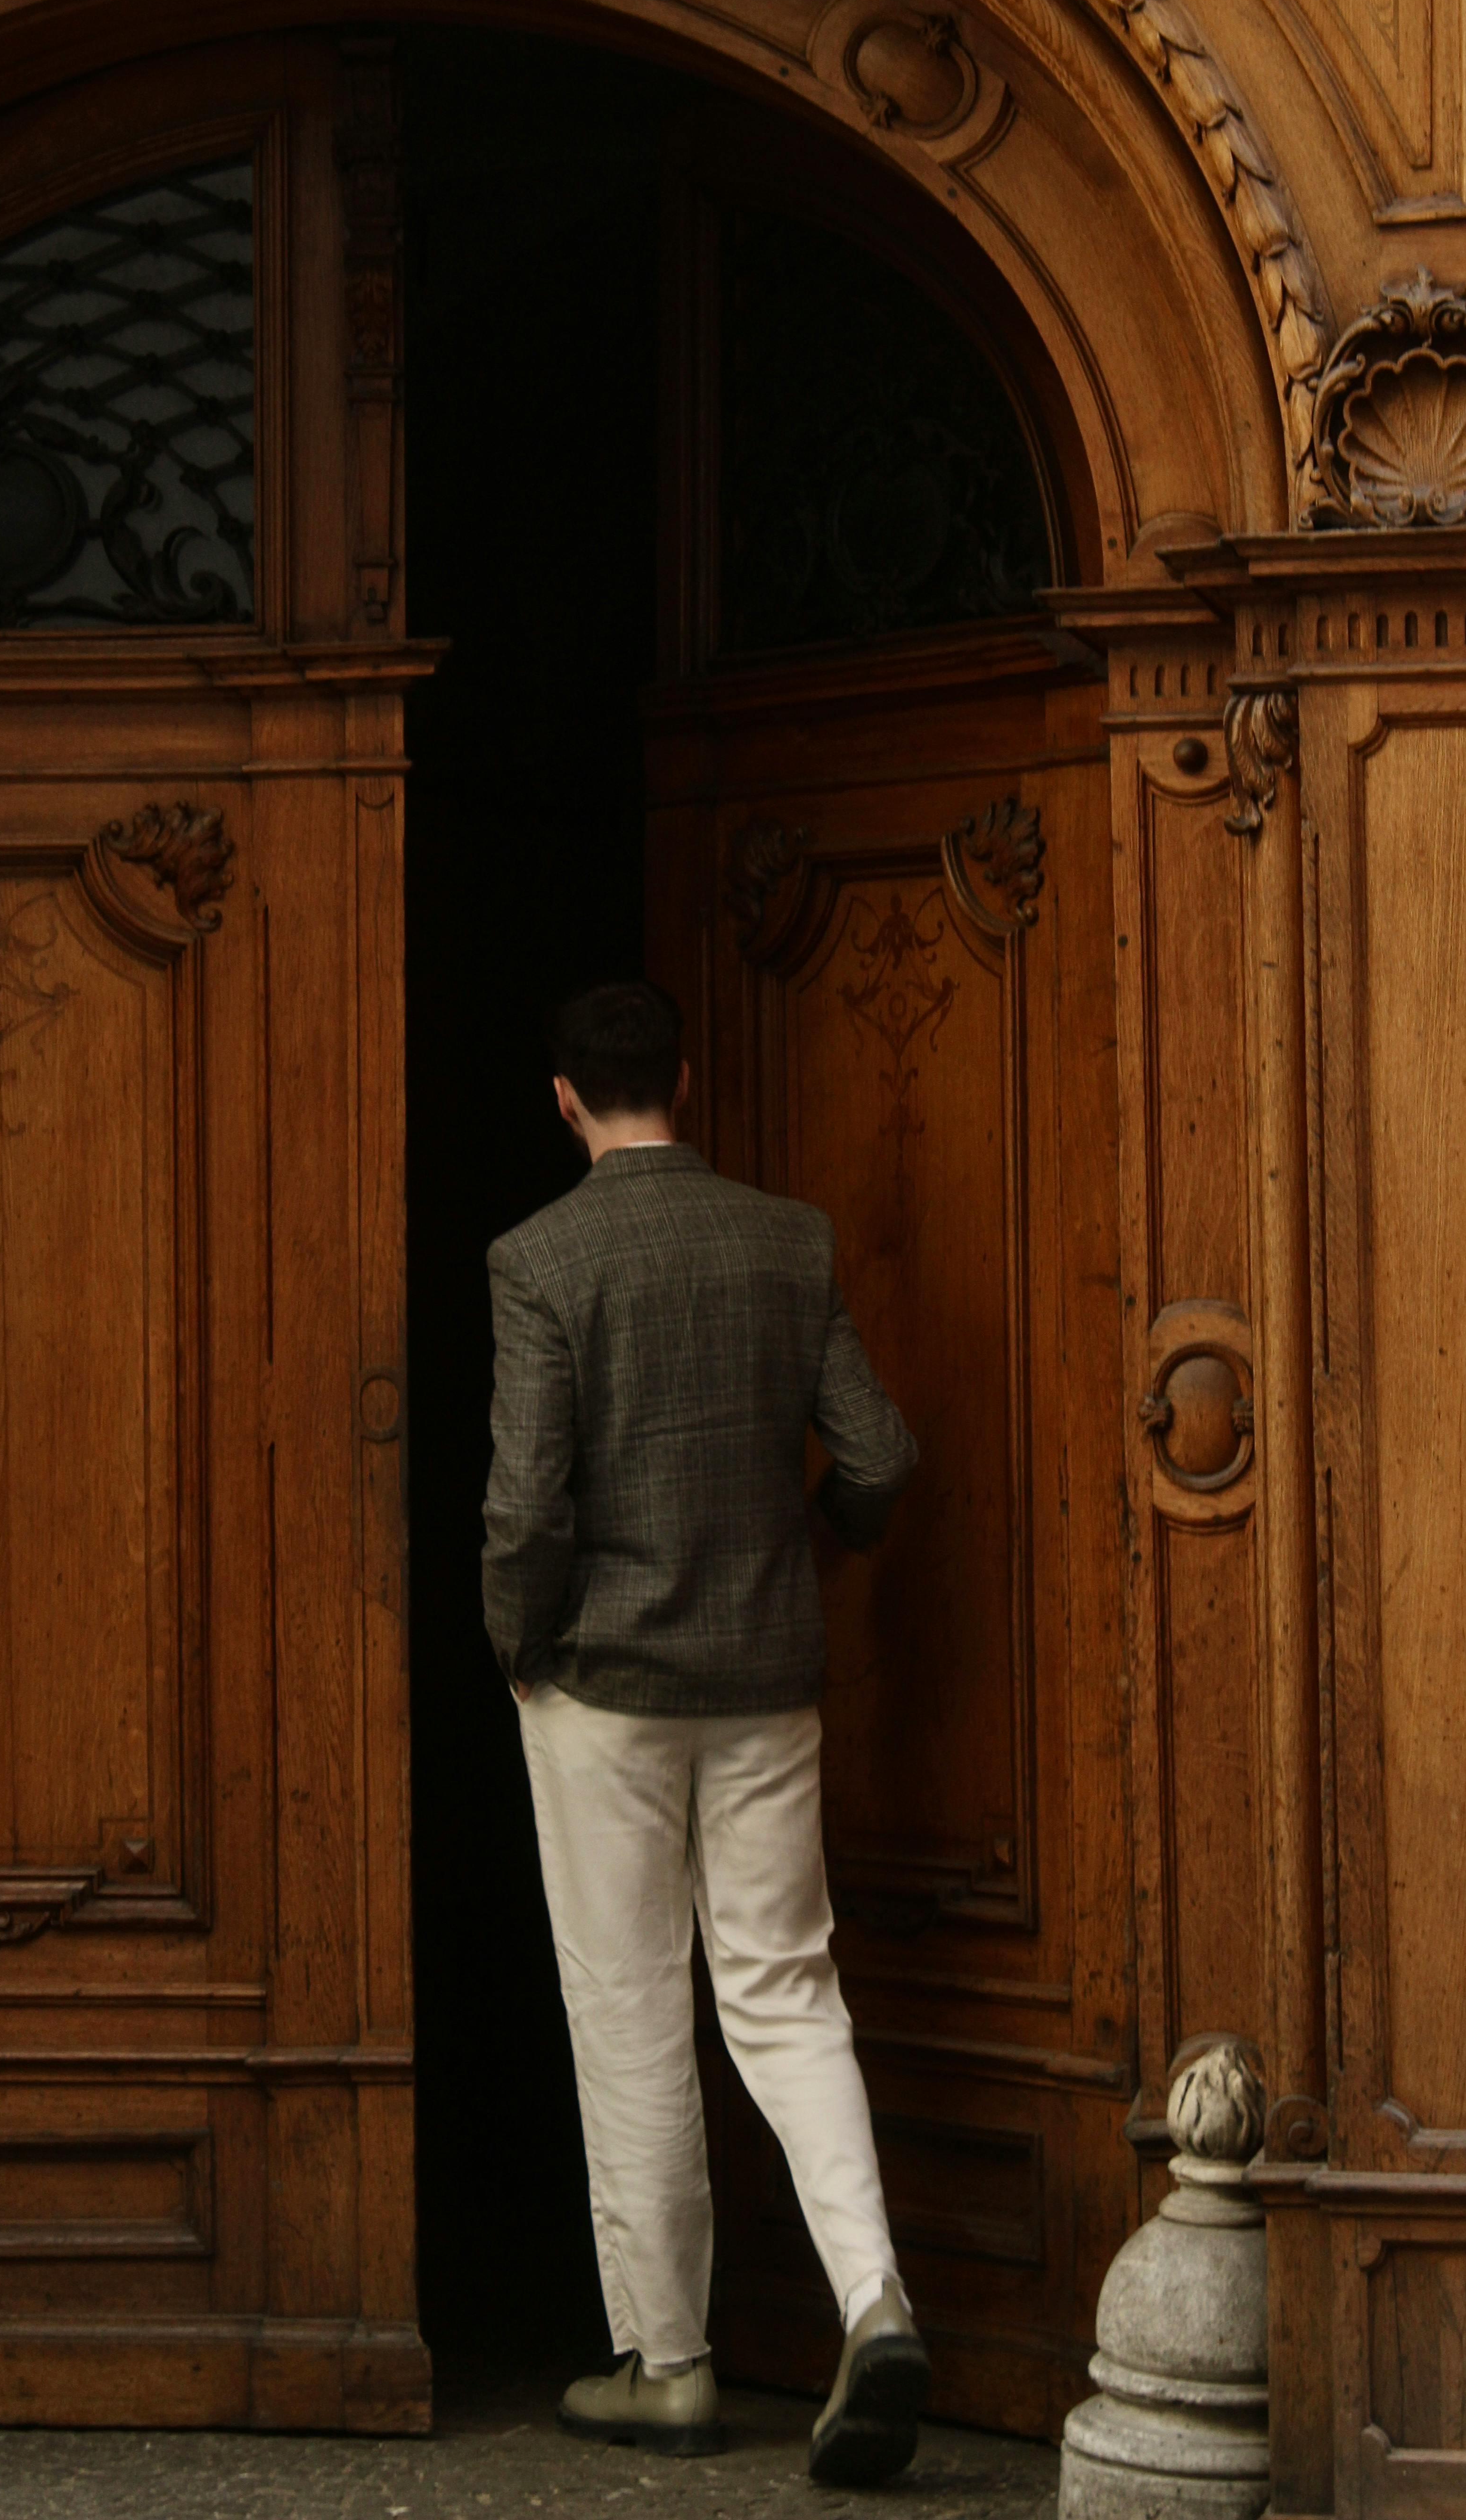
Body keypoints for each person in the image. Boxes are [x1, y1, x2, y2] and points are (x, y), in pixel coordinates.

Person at [481, 978, 927, 2487]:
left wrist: (518, 1644)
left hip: (603, 1689)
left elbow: (529, 1501)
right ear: (684, 1077)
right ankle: (876, 2299)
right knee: (786, 1989)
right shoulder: (784, 1241)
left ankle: (669, 2367)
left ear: (562, 1099)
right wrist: (813, 1546)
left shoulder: (540, 1258)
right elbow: (878, 1450)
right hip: (765, 1679)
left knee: (631, 2009)